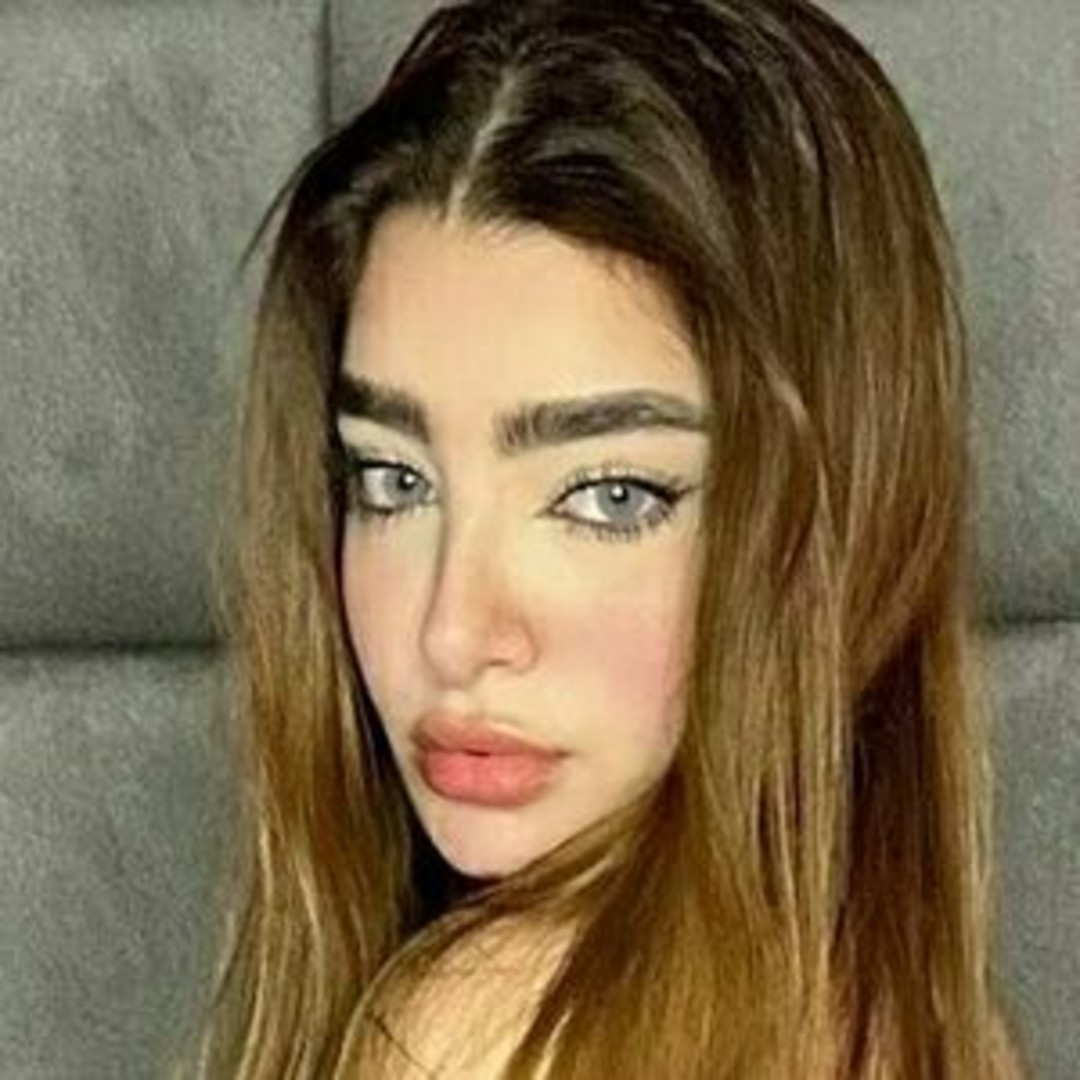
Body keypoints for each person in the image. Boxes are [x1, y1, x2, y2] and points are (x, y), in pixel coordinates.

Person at [177, 0, 1030, 1076]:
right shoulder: (921, 1017)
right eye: (392, 480)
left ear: (846, 519)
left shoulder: (484, 1035)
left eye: (610, 497)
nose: (452, 632)